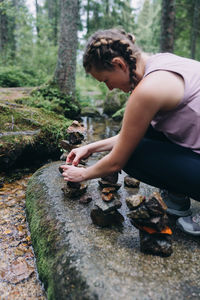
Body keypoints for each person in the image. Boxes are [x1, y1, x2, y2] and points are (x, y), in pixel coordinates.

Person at [61, 28, 200, 236]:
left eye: (106, 80)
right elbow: (132, 134)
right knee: (147, 132)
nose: (109, 89)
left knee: (132, 156)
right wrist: (91, 147)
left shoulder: (147, 90)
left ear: (119, 64)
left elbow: (118, 160)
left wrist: (83, 174)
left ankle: (178, 193)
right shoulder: (161, 62)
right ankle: (177, 196)